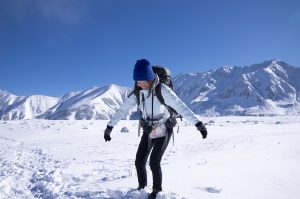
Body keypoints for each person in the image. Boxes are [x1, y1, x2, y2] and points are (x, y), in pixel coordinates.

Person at [104, 59, 207, 199]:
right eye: (137, 81)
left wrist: (198, 124)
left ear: (149, 78)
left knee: (154, 161)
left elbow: (181, 106)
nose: (139, 84)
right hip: (149, 128)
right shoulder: (137, 92)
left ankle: (157, 191)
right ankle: (142, 189)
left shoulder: (162, 90)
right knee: (139, 161)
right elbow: (123, 109)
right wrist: (110, 127)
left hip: (164, 127)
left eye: (142, 81)